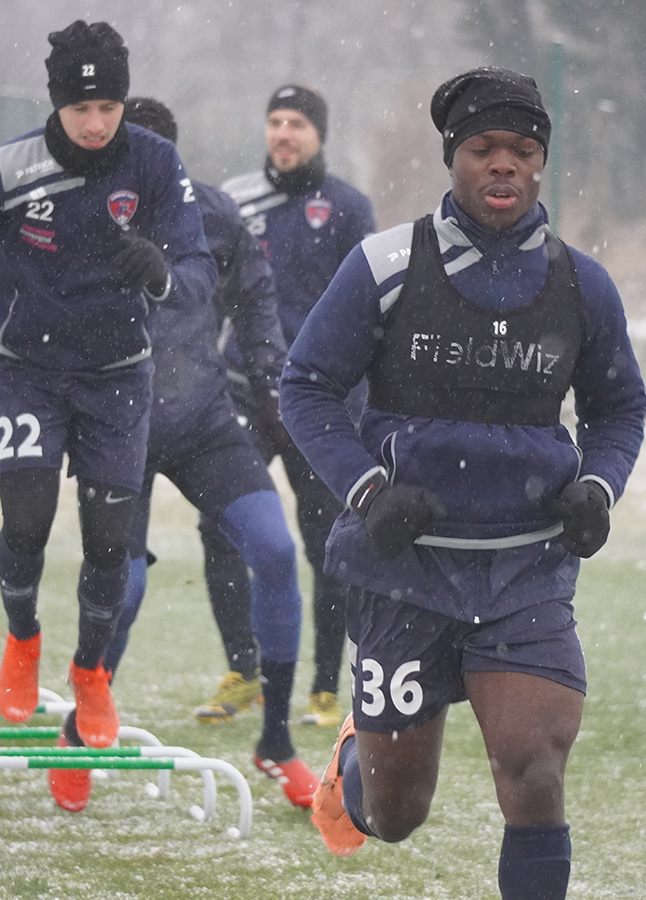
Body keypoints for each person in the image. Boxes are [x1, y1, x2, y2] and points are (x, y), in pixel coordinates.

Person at [279, 68, 646, 900]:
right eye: (485, 149)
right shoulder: (383, 265)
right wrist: (369, 490)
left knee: (535, 770)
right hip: (402, 572)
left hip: (525, 571)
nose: (504, 165)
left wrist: (598, 488)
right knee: (400, 813)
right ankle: (355, 763)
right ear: (454, 157)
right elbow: (303, 386)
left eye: (522, 151)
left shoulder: (582, 285)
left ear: (541, 162)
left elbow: (619, 409)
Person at [0, 21, 216, 753]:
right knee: (27, 523)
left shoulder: (156, 163)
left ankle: (91, 671)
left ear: (124, 103)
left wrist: (160, 274)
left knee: (108, 544)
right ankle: (23, 638)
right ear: (56, 105)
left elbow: (198, 269)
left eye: (109, 108)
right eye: (80, 110)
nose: (96, 124)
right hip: (24, 371)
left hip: (120, 379)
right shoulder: (11, 167)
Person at [45, 96, 315, 812]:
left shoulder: (218, 218)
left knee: (276, 551)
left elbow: (257, 306)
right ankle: (78, 731)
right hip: (116, 429)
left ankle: (277, 741)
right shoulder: (78, 215)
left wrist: (278, 389)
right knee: (123, 590)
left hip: (202, 422)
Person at [207, 83, 376, 729]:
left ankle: (327, 687)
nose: (283, 132)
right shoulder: (233, 200)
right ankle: (242, 672)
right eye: (274, 120)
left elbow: (370, 310)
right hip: (242, 393)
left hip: (319, 401)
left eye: (296, 122)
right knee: (223, 529)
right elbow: (206, 291)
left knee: (326, 541)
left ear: (319, 134)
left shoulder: (349, 208)